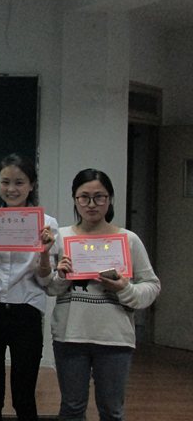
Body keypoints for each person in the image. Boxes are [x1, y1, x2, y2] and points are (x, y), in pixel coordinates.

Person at [47, 168, 161, 421]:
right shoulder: (61, 237)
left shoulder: (128, 239)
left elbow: (152, 286)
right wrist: (61, 275)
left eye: (99, 197)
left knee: (111, 411)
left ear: (110, 199)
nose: (91, 204)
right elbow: (49, 288)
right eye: (84, 197)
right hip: (70, 335)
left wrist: (125, 289)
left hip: (114, 338)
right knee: (71, 408)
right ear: (74, 199)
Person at [0, 153, 58, 421]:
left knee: (24, 393)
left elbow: (45, 280)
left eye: (19, 182)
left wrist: (45, 252)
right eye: (5, 182)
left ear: (31, 185)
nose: (11, 189)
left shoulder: (47, 225)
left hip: (27, 311)